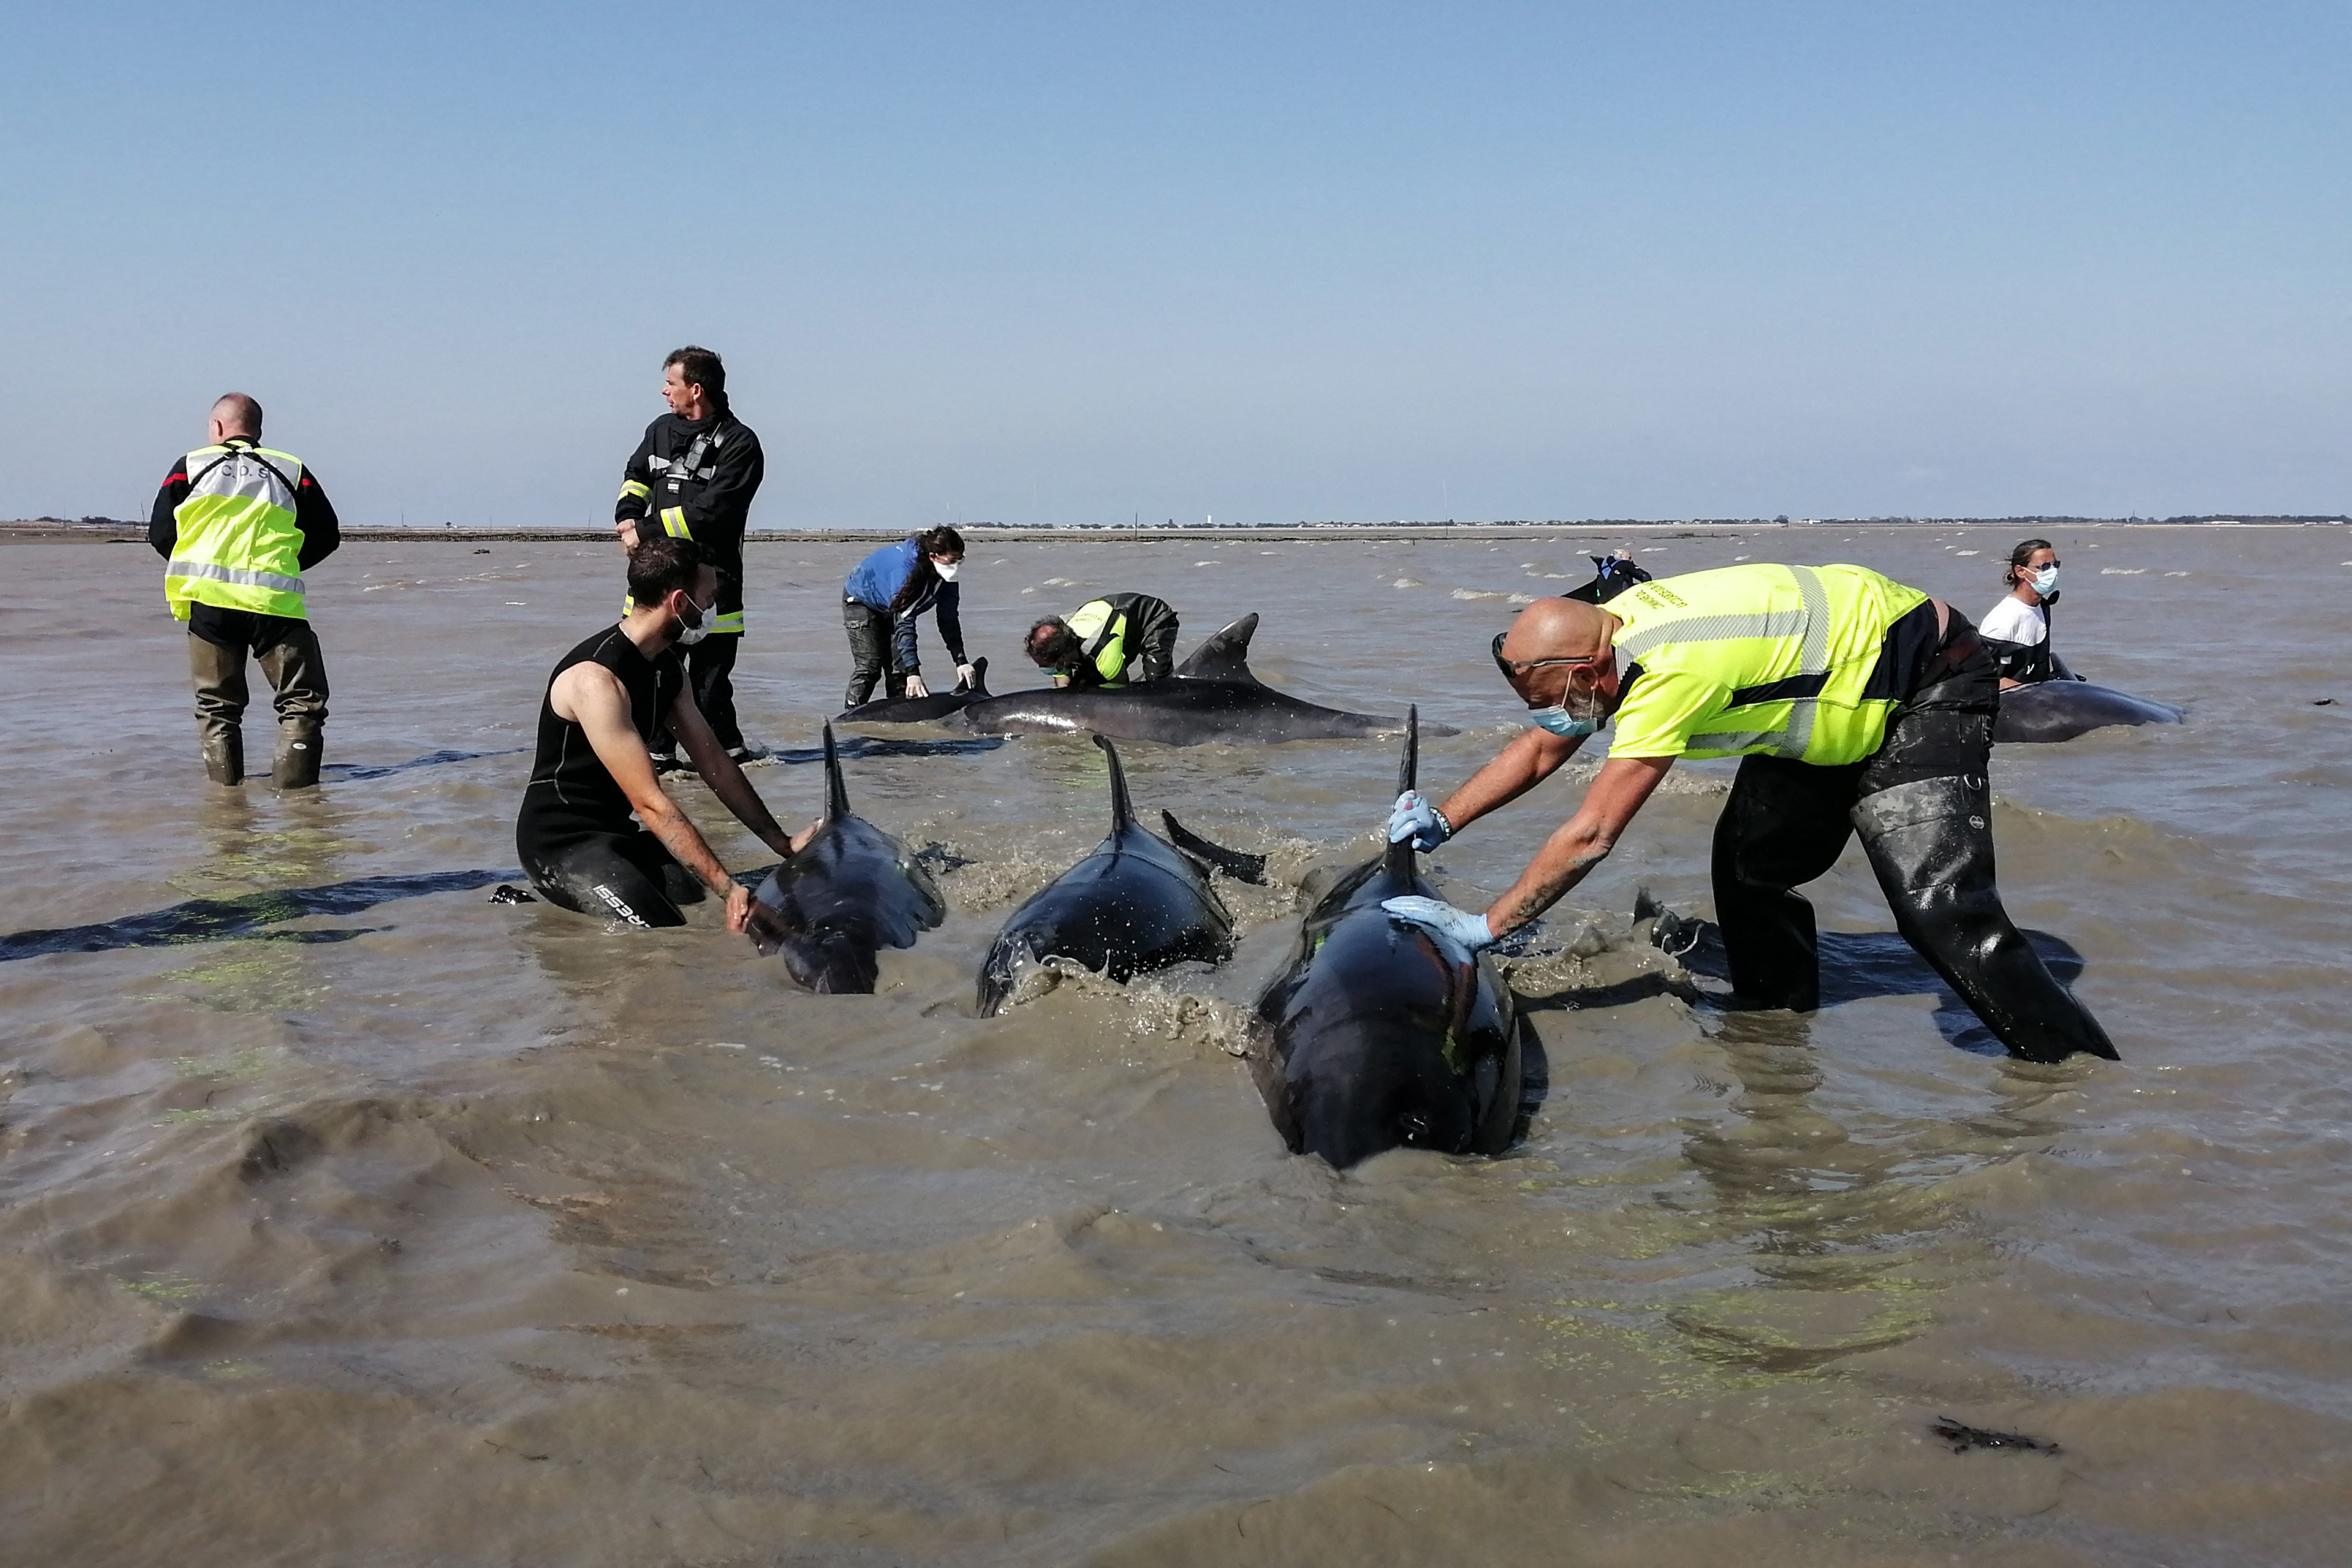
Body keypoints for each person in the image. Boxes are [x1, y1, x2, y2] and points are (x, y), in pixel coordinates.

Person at [1381, 562, 2117, 1064]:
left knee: (1940, 912)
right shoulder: (1611, 626)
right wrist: (1445, 818)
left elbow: (1593, 832)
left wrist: (1487, 927)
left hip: (1924, 680)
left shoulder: (1672, 672)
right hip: (1824, 696)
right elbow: (1546, 746)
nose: (1566, 717)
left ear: (1587, 670)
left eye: (1566, 699)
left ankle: (2073, 1069)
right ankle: (1775, 1026)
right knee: (1746, 870)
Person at [516, 537, 813, 930]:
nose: (712, 609)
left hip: (618, 834)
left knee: (694, 900)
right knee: (661, 930)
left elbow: (716, 765)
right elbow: (649, 802)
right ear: (678, 603)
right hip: (560, 846)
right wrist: (729, 889)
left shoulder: (667, 668)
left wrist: (784, 844)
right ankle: (526, 900)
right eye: (708, 599)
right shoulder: (596, 680)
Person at [147, 393, 340, 788]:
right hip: (274, 604)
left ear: (217, 427)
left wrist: (197, 564)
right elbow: (328, 535)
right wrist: (285, 564)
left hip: (210, 606)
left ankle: (227, 806)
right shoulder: (290, 468)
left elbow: (161, 533)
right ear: (259, 432)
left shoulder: (191, 465)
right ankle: (298, 805)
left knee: (217, 708)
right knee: (301, 704)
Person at [613, 347, 765, 768]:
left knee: (709, 688)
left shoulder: (740, 445)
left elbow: (714, 513)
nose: (664, 392)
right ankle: (659, 762)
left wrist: (644, 530)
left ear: (696, 390)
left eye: (671, 384)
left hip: (714, 584)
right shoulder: (659, 430)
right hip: (657, 580)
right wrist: (627, 517)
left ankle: (731, 765)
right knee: (653, 679)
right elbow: (636, 476)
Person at [841, 527, 975, 708]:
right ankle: (849, 715)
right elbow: (906, 625)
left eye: (960, 560)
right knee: (870, 666)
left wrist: (961, 661)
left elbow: (948, 620)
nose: (956, 566)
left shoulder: (947, 578)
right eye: (952, 561)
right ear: (933, 557)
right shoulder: (907, 573)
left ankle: (898, 716)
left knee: (899, 669)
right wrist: (914, 672)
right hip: (861, 600)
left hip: (890, 604)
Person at [1024, 592, 1181, 688]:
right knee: (1083, 686)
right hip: (1114, 617)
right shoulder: (1060, 642)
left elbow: (1121, 694)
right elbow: (1064, 688)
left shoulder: (1105, 656)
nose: (1043, 668)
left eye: (1045, 666)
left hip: (1152, 617)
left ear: (1063, 658)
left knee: (1156, 685)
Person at [1978, 538, 2077, 688]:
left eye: (2055, 565)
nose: (2053, 572)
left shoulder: (2042, 606)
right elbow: (1984, 679)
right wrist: (2033, 694)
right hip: (2013, 705)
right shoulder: (2002, 620)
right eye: (2044, 567)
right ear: (2021, 571)